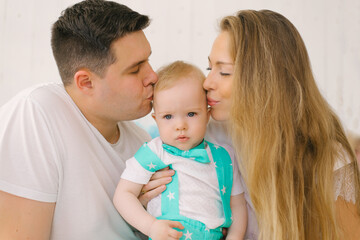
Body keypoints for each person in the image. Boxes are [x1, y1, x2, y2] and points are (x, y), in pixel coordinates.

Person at [0, 0, 174, 239]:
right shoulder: (36, 115)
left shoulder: (142, 141)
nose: (153, 76)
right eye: (135, 69)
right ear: (86, 82)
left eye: (148, 61)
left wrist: (140, 215)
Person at [203, 9, 360, 240]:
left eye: (224, 72)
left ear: (263, 80)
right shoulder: (209, 138)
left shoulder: (328, 159)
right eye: (210, 68)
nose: (207, 82)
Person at [113, 61, 248, 240]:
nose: (180, 126)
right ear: (156, 119)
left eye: (191, 114)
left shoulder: (224, 157)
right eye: (168, 116)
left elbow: (238, 205)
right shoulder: (154, 152)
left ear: (207, 116)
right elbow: (123, 195)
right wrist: (151, 226)